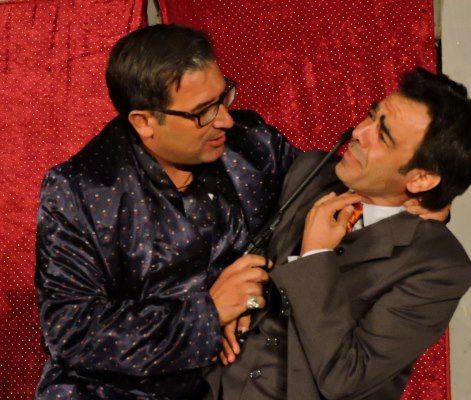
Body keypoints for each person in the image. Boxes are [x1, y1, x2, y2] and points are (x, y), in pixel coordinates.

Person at [34, 24, 297, 399]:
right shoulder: (80, 190)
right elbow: (71, 331)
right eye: (203, 112)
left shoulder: (252, 144)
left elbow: (319, 201)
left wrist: (254, 294)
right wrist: (208, 315)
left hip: (237, 379)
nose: (225, 119)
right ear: (144, 122)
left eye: (224, 96)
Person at [206, 68, 471, 400]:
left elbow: (346, 378)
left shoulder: (440, 268)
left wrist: (316, 256)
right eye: (371, 115)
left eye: (383, 135)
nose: (359, 131)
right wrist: (242, 301)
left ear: (421, 180)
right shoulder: (311, 173)